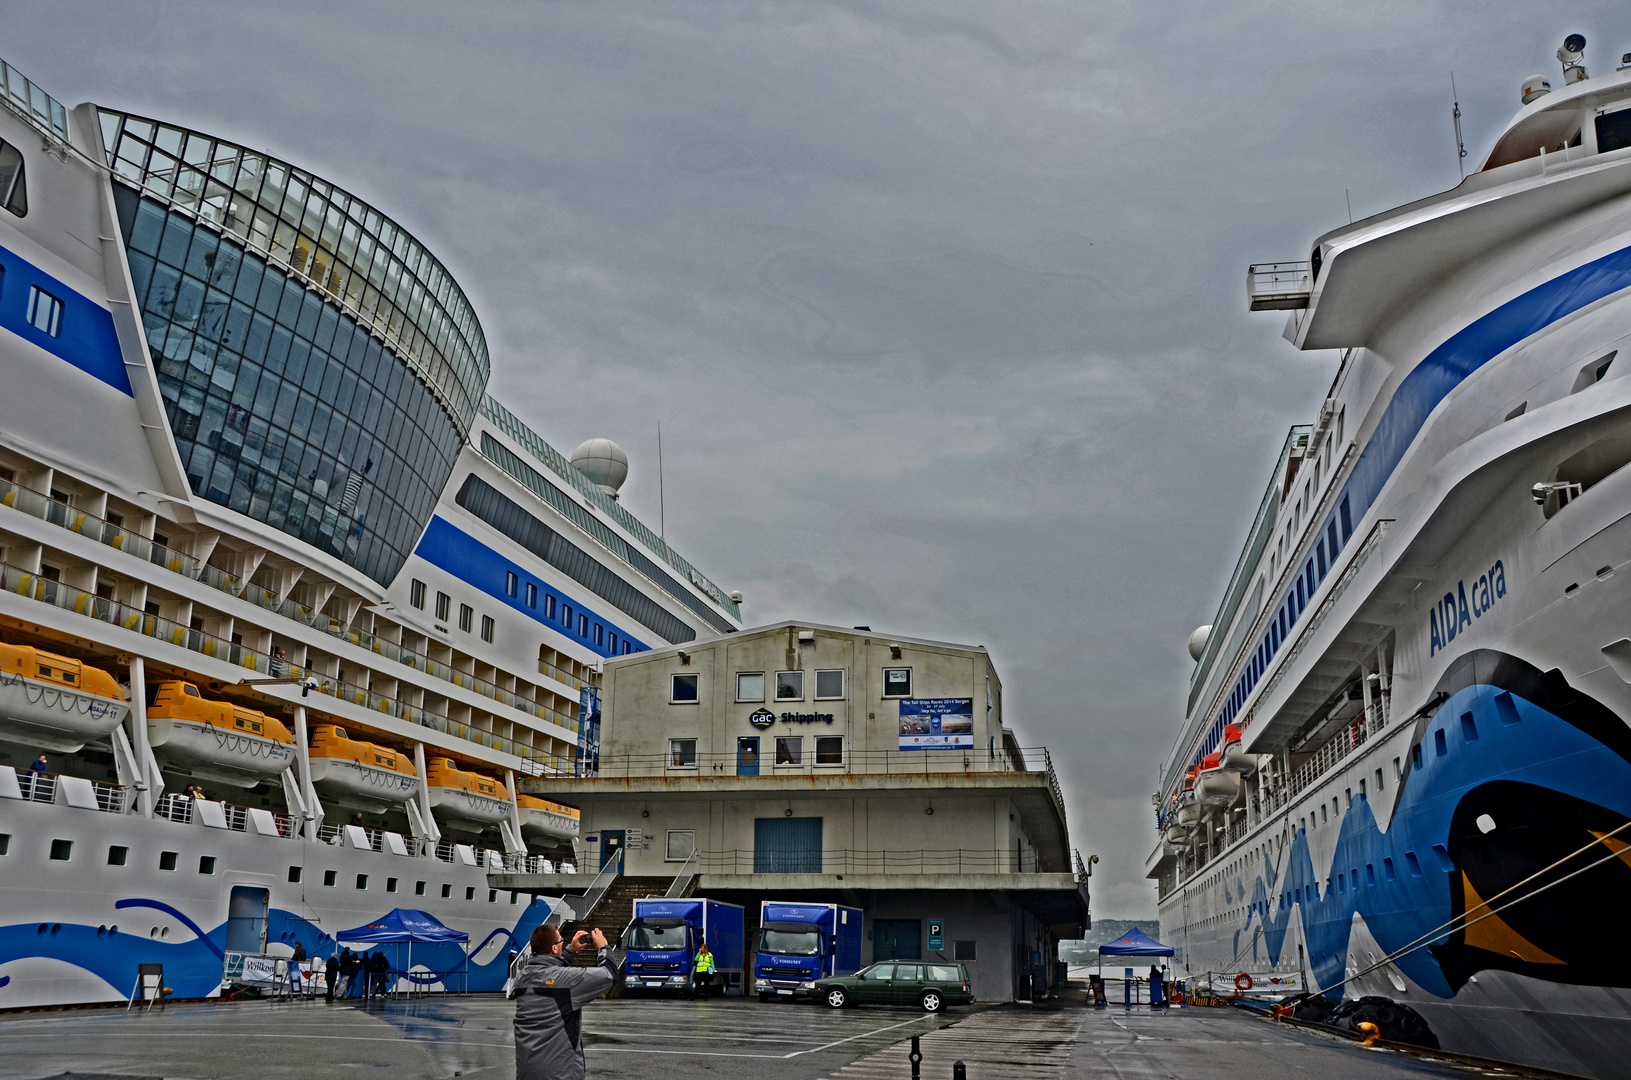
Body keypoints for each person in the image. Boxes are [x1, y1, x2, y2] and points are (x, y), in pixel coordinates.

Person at [512, 926, 620, 1080]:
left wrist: (570, 951)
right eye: (561, 941)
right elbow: (610, 975)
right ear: (554, 948)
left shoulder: (523, 977)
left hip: (526, 1071)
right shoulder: (566, 981)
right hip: (559, 1073)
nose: (563, 943)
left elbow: (550, 974)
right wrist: (603, 947)